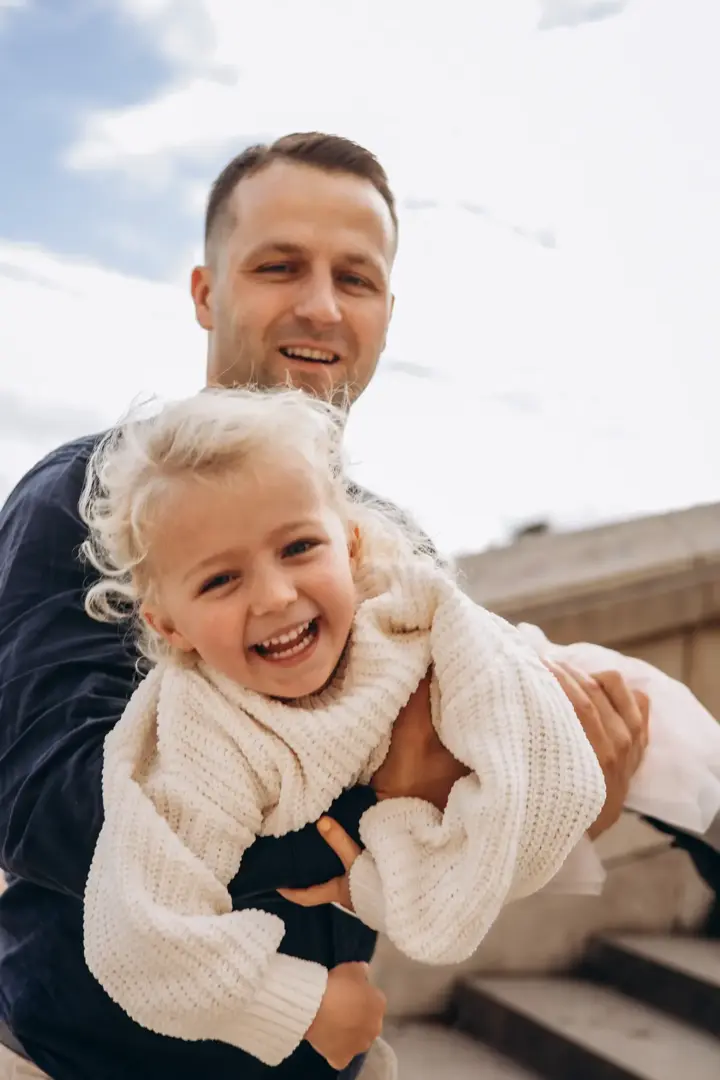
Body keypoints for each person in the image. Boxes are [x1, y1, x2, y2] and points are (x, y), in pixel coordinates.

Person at [0, 132, 655, 1080]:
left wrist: (540, 799)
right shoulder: (87, 499)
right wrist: (369, 819)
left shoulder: (393, 544)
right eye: (279, 266)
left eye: (356, 277)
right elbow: (40, 800)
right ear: (205, 293)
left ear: (387, 312)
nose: (319, 304)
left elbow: (440, 818)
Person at [79, 387, 606, 1074]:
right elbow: (141, 935)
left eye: (299, 547)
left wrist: (383, 875)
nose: (274, 596)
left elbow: (551, 778)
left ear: (351, 545)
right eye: (220, 581)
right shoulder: (207, 731)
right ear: (168, 624)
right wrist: (302, 1004)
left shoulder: (413, 622)